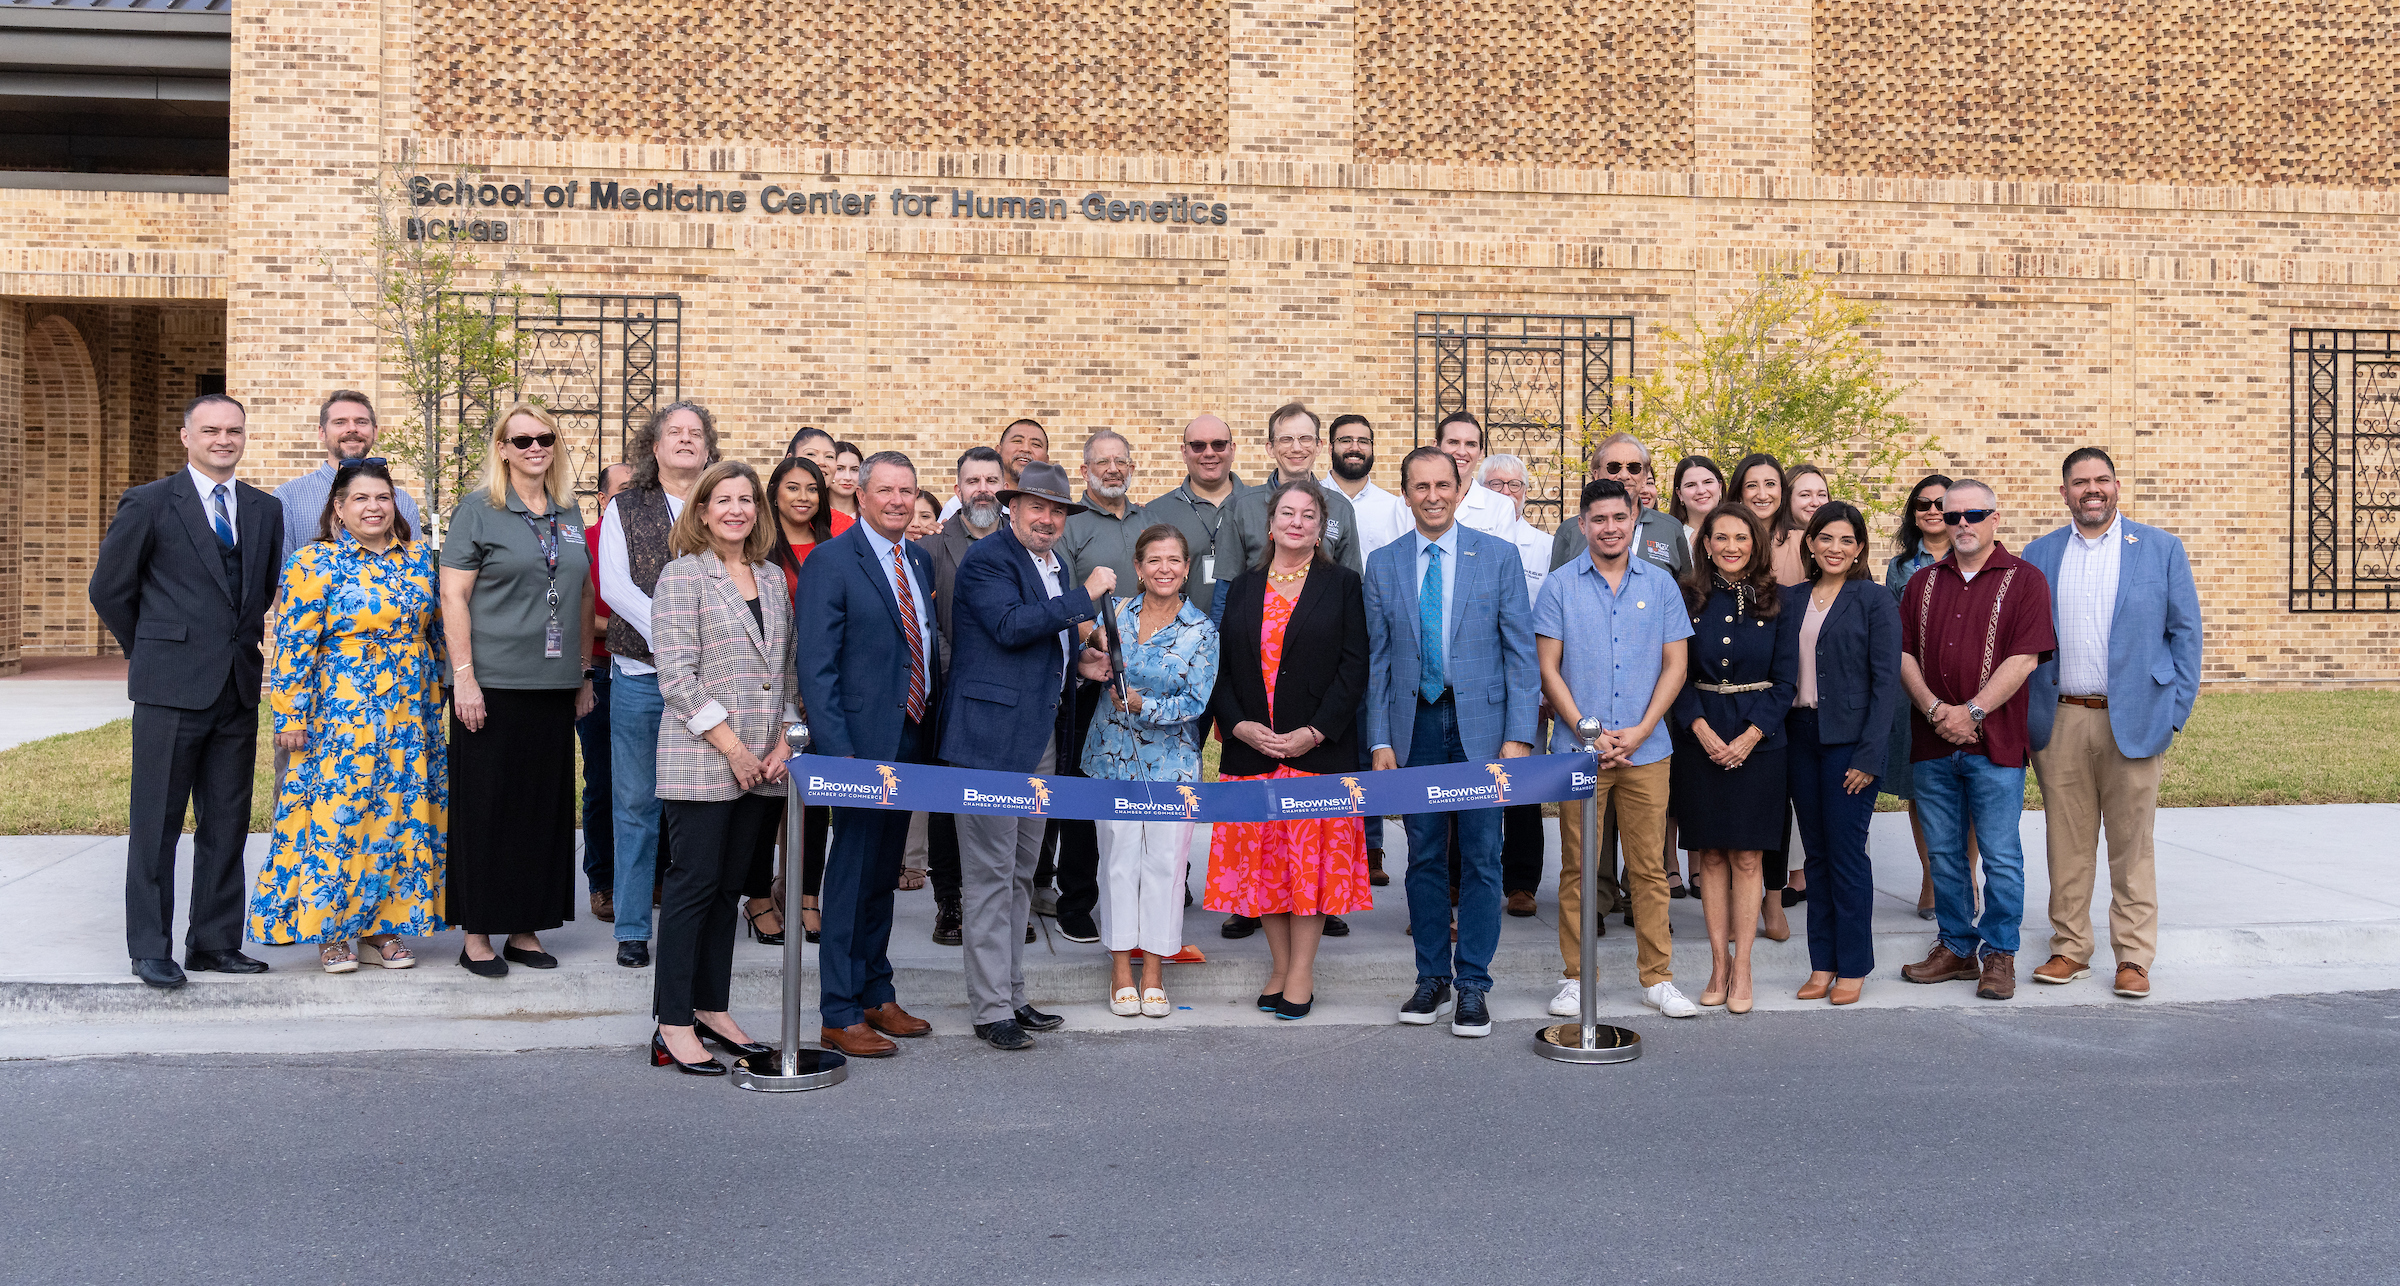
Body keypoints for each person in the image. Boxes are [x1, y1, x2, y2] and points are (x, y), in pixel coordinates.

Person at [89, 393, 285, 989]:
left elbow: (259, 594)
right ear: (186, 437)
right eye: (211, 430)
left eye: (234, 430)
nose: (223, 439)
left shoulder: (263, 509)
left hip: (236, 687)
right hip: (168, 689)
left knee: (226, 822)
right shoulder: (149, 504)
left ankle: (214, 942)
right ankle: (150, 947)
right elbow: (109, 590)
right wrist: (153, 647)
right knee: (157, 824)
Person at [941, 461, 1116, 1050]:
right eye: (1037, 508)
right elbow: (1012, 627)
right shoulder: (989, 559)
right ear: (1011, 508)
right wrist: (1084, 599)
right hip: (990, 743)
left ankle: (1012, 995)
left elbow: (1045, 641)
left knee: (1018, 874)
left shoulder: (1055, 565)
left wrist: (1082, 660)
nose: (1047, 519)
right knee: (989, 877)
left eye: (1058, 510)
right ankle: (990, 1009)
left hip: (1039, 740)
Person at [248, 460, 447, 973]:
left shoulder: (420, 561)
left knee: (397, 818)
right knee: (341, 817)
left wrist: (445, 687)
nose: (374, 507)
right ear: (338, 508)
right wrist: (290, 715)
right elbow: (292, 643)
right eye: (360, 499)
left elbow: (438, 632)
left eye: (383, 497)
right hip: (341, 713)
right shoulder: (315, 563)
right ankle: (332, 931)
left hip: (409, 712)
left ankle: (383, 928)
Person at [1362, 448, 1536, 1036]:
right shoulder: (1383, 564)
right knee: (1425, 856)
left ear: (1461, 489)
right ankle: (1432, 978)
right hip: (1416, 728)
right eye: (1420, 486)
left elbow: (1520, 652)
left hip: (1482, 730)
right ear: (1405, 493)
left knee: (1485, 857)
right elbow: (1378, 661)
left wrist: (1518, 734)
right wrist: (1380, 739)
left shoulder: (1499, 556)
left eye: (1443, 484)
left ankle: (1473, 986)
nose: (1433, 495)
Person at [2023, 448, 2202, 999]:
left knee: (2132, 845)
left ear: (2117, 486)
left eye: (2101, 480)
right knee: (2066, 843)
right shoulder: (2040, 554)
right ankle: (2070, 947)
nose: (2091, 490)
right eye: (2080, 482)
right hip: (2062, 720)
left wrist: (2173, 712)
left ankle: (2134, 958)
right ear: (2064, 493)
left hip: (2136, 718)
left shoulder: (2160, 549)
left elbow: (2186, 635)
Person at [793, 452, 945, 1058]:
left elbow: (923, 647)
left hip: (910, 740)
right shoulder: (832, 561)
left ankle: (877, 991)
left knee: (883, 874)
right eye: (886, 491)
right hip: (857, 751)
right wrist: (841, 757)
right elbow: (817, 669)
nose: (898, 501)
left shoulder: (918, 559)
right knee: (852, 875)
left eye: (907, 492)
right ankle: (838, 1010)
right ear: (861, 496)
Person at [438, 401, 597, 978]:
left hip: (553, 686)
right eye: (521, 439)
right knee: (488, 809)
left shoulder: (569, 513)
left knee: (541, 810)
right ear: (502, 448)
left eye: (544, 439)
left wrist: (581, 673)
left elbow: (580, 594)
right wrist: (465, 679)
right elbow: (452, 596)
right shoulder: (479, 511)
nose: (535, 448)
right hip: (493, 684)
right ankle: (476, 932)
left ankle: (525, 928)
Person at [1206, 479, 1372, 1022]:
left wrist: (1316, 732)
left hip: (1316, 755)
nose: (1296, 522)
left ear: (1320, 526)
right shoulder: (1245, 588)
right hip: (1254, 751)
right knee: (1267, 867)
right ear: (1270, 524)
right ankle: (1278, 965)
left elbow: (1355, 668)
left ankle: (1301, 972)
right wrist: (1238, 725)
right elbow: (1223, 668)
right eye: (1287, 513)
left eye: (1307, 514)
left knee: (1310, 871)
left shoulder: (1343, 584)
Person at [646, 461, 792, 1076]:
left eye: (746, 500)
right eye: (722, 500)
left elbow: (785, 669)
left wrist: (785, 740)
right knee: (693, 888)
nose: (736, 510)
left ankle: (711, 1008)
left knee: (730, 890)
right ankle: (671, 1025)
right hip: (706, 759)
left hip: (765, 764)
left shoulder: (773, 579)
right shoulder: (683, 576)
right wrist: (733, 748)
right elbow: (677, 675)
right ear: (702, 512)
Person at [1534, 478, 1695, 1019]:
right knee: (1578, 869)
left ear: (1635, 521)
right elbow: (1548, 669)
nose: (1609, 528)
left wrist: (1644, 728)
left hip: (1647, 748)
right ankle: (1577, 977)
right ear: (1583, 525)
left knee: (1649, 869)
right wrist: (1587, 730)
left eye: (1618, 519)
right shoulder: (1559, 586)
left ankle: (1658, 978)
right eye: (1598, 520)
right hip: (1580, 752)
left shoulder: (1663, 585)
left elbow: (1676, 664)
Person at [1896, 479, 2057, 1001]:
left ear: (1994, 518)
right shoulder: (1922, 583)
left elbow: (2026, 657)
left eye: (1974, 514)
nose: (1962, 523)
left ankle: (2000, 953)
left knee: (2000, 854)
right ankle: (1957, 948)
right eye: (1952, 513)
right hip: (1933, 742)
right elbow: (1903, 657)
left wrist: (1973, 711)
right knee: (1943, 854)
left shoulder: (2025, 580)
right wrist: (1937, 711)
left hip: (1996, 744)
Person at [598, 401, 719, 968]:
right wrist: (675, 635)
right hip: (642, 678)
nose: (687, 441)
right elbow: (616, 587)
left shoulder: (726, 503)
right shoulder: (626, 507)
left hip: (714, 684)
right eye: (676, 432)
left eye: (696, 434)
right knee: (636, 803)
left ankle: (702, 918)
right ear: (655, 445)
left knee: (704, 805)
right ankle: (630, 926)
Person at [1084, 525, 1220, 1018]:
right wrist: (1086, 662)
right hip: (1111, 757)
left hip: (1172, 766)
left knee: (1164, 867)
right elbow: (1087, 656)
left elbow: (1197, 700)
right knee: (1118, 862)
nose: (1164, 568)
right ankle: (1121, 970)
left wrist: (1145, 704)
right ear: (1138, 568)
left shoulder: (1202, 629)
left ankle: (1156, 973)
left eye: (1174, 560)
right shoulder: (1114, 613)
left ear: (1186, 569)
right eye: (1154, 560)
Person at [1669, 505, 1795, 1013]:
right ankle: (1717, 965)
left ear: (1756, 543)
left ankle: (1743, 966)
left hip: (1760, 742)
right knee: (1712, 855)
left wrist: (1749, 737)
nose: (1730, 547)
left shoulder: (1779, 601)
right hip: (1698, 735)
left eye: (1741, 537)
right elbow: (1673, 672)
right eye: (1720, 537)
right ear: (1705, 542)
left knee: (1747, 856)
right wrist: (1699, 729)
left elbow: (1786, 681)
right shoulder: (1685, 596)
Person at [1779, 501, 1902, 1006]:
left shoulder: (1873, 600)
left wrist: (1870, 757)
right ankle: (1821, 962)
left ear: (1859, 549)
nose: (1835, 548)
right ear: (1809, 543)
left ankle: (1852, 965)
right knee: (1817, 855)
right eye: (1826, 538)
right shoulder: (1791, 600)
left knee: (1847, 854)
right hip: (1799, 737)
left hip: (1850, 744)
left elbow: (1886, 684)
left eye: (1847, 541)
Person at [1046, 429, 1154, 945]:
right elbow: (1062, 600)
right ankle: (1077, 899)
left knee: (1140, 788)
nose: (1113, 469)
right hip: (1091, 676)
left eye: (1120, 461)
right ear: (1084, 468)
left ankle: (1141, 894)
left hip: (1144, 680)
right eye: (1101, 462)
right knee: (1084, 793)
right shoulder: (1069, 526)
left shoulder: (1147, 520)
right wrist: (1103, 646)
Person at [920, 446, 1009, 946]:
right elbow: (928, 626)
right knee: (949, 804)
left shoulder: (1022, 547)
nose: (983, 489)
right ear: (957, 490)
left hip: (1008, 699)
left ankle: (998, 905)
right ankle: (949, 902)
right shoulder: (930, 550)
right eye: (972, 480)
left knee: (1001, 802)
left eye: (991, 480)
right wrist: (964, 671)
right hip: (949, 693)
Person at [765, 455, 851, 944]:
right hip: (765, 683)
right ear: (774, 491)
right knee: (766, 792)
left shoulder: (833, 547)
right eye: (792, 487)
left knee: (814, 795)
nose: (802, 497)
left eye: (812, 489)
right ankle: (759, 895)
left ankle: (805, 896)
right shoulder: (757, 545)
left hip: (815, 683)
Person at [1322, 412, 1408, 888]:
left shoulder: (1395, 506)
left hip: (1377, 641)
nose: (1354, 447)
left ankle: (1370, 849)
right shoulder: (1313, 499)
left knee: (1368, 745)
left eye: (1363, 440)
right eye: (1345, 440)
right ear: (1330, 446)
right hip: (1322, 641)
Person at [1722, 451, 1801, 934]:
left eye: (1771, 483)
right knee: (1738, 803)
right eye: (1752, 484)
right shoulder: (1727, 536)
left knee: (1777, 801)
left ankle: (1772, 898)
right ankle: (1740, 900)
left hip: (1784, 676)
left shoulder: (1799, 540)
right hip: (1739, 679)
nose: (1762, 493)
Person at [1473, 453, 1555, 918]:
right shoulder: (1470, 540)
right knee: (1472, 783)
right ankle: (1462, 880)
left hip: (1528, 681)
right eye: (1496, 484)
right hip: (1476, 679)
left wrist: (1544, 686)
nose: (1507, 492)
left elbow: (1549, 622)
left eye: (1516, 485)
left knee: (1522, 783)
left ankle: (1521, 881)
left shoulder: (1542, 546)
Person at [1882, 472, 1966, 919]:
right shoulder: (1900, 567)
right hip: (1912, 691)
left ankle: (1966, 876)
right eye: (1922, 504)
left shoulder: (1973, 553)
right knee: (1920, 788)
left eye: (1941, 503)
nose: (1932, 510)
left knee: (1968, 786)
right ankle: (1932, 876)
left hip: (1966, 688)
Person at [1214, 401, 1365, 608]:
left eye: (1305, 439)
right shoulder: (1241, 506)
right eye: (1286, 439)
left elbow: (1354, 592)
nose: (1296, 448)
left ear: (1319, 446)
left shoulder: (1340, 508)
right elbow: (1225, 590)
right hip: (1256, 631)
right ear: (1270, 448)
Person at [270, 390, 426, 559]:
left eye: (361, 422)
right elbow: (279, 582)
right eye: (340, 422)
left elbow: (414, 573)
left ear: (374, 431)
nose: (352, 428)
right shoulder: (288, 499)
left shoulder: (401, 502)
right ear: (322, 432)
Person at [577, 462, 634, 923]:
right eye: (622, 491)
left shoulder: (663, 540)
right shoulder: (586, 543)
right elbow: (574, 614)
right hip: (601, 671)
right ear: (601, 498)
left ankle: (653, 875)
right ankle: (603, 881)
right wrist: (639, 628)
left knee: (658, 782)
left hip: (654, 673)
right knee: (603, 782)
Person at [1547, 433, 1690, 578]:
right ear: (1596, 474)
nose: (1624, 475)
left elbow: (1686, 593)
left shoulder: (1670, 529)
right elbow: (1556, 592)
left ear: (1645, 476)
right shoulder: (1570, 532)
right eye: (1614, 467)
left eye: (1633, 468)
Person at [1145, 413, 1252, 606]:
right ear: (1184, 453)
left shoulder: (1258, 506)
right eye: (1198, 446)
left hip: (1250, 634)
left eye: (1218, 444)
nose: (1209, 453)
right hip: (1179, 634)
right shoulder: (1155, 513)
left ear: (1232, 450)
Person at [939, 417, 1049, 520]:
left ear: (1047, 460)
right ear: (998, 451)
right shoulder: (961, 504)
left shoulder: (1055, 507)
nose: (1025, 449)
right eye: (1017, 441)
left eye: (1036, 444)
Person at [1437, 411, 1513, 537]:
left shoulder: (1500, 507)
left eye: (1470, 444)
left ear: (1481, 453)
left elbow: (1502, 556)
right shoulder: (1406, 506)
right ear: (1436, 446)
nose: (1462, 452)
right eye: (1453, 442)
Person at [1769, 462, 1830, 586]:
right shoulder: (1777, 543)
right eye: (1805, 495)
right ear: (1787, 498)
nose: (1815, 502)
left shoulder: (1843, 541)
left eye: (1822, 495)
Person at [1669, 455, 1724, 551]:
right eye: (1691, 485)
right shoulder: (1670, 538)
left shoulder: (1741, 530)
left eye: (1707, 482)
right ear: (1679, 494)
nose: (1701, 491)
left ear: (1720, 487)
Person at [830, 440, 864, 520]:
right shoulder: (814, 516)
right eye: (840, 469)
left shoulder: (870, 517)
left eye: (854, 470)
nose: (848, 477)